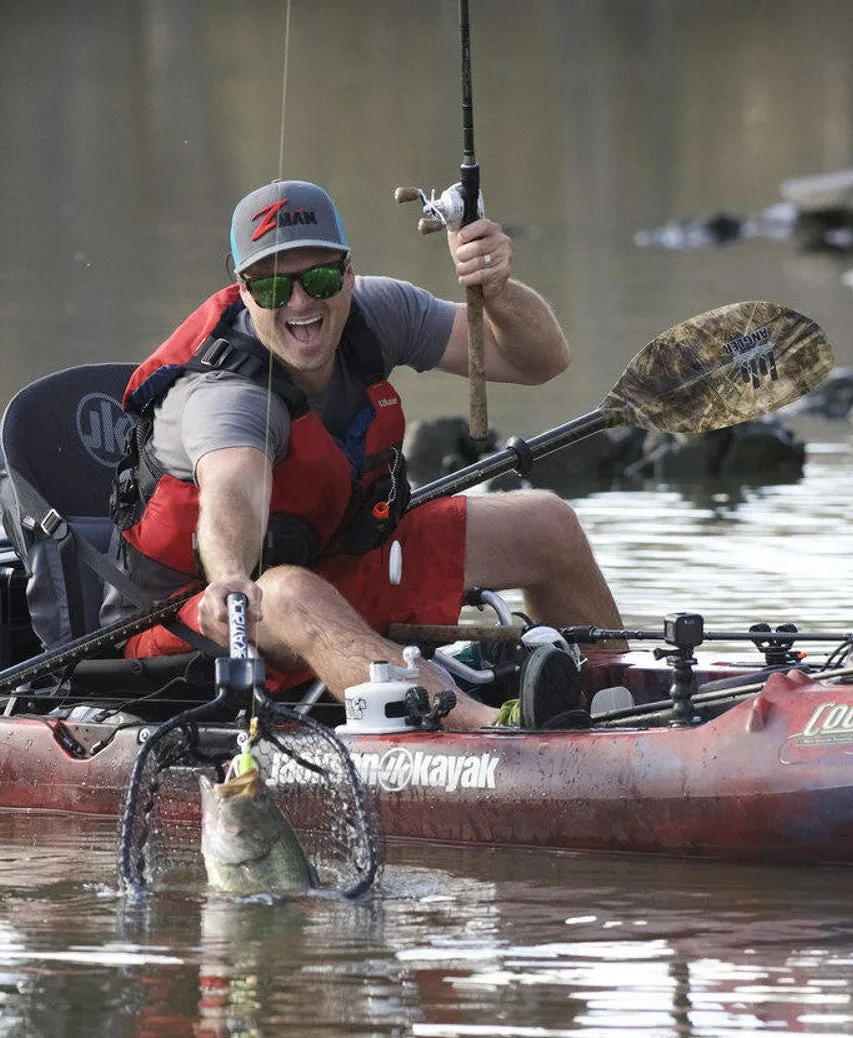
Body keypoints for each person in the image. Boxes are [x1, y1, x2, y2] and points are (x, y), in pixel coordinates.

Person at [109, 178, 623, 729]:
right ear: (243, 291)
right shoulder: (225, 397)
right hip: (204, 618)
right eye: (274, 289)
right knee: (285, 591)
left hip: (333, 566)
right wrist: (231, 575)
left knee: (547, 523)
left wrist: (496, 292)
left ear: (349, 273)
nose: (301, 303)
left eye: (322, 277)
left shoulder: (379, 313)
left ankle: (620, 696)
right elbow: (233, 490)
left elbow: (539, 360)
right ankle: (497, 730)